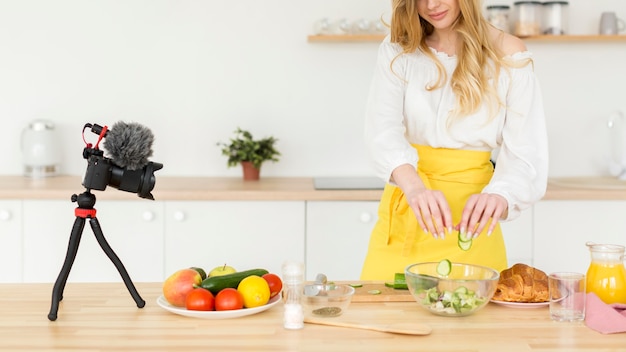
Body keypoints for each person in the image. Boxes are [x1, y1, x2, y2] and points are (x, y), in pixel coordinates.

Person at [360, 0, 548, 280]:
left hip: (471, 229)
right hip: (406, 219)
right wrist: (414, 188)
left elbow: (526, 152)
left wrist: (500, 195)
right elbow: (381, 131)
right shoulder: (399, 49)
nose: (431, 5)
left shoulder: (508, 54)